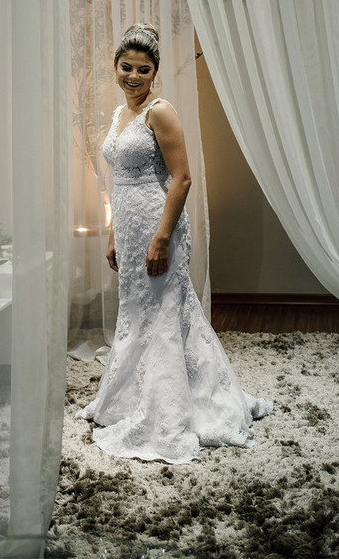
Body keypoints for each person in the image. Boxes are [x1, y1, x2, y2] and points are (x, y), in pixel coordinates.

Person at [76, 24, 271, 464]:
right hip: (129, 229)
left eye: (143, 69)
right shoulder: (120, 114)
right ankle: (131, 399)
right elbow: (118, 181)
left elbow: (182, 179)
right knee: (137, 313)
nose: (133, 76)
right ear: (115, 67)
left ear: (155, 72)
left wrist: (162, 238)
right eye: (126, 67)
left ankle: (172, 409)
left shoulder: (160, 112)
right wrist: (114, 234)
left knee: (165, 313)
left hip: (158, 225)